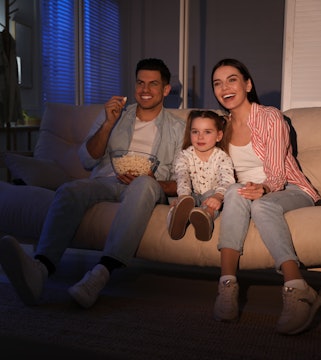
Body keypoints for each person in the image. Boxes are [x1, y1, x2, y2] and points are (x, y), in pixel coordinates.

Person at [0, 58, 185, 309]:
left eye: (153, 84)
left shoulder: (178, 128)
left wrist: (152, 180)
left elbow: (182, 179)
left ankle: (100, 274)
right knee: (70, 189)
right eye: (140, 82)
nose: (144, 89)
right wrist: (109, 123)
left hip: (147, 186)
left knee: (142, 186)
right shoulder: (115, 115)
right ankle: (40, 269)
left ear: (165, 90)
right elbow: (87, 160)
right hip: (105, 181)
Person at [210, 58, 321, 335]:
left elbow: (276, 175)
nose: (224, 87)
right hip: (246, 191)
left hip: (288, 189)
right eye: (217, 83)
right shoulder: (220, 126)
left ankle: (298, 289)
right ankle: (227, 284)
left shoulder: (270, 117)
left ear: (247, 85)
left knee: (261, 207)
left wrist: (264, 190)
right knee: (237, 190)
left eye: (232, 79)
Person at [167, 110, 235, 241]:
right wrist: (183, 197)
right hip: (191, 194)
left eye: (207, 132)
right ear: (190, 133)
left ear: (219, 136)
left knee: (211, 204)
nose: (200, 137)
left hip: (212, 194)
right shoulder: (184, 156)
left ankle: (205, 218)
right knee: (179, 204)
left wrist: (218, 196)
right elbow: (182, 177)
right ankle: (176, 221)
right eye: (195, 131)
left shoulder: (222, 157)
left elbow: (226, 179)